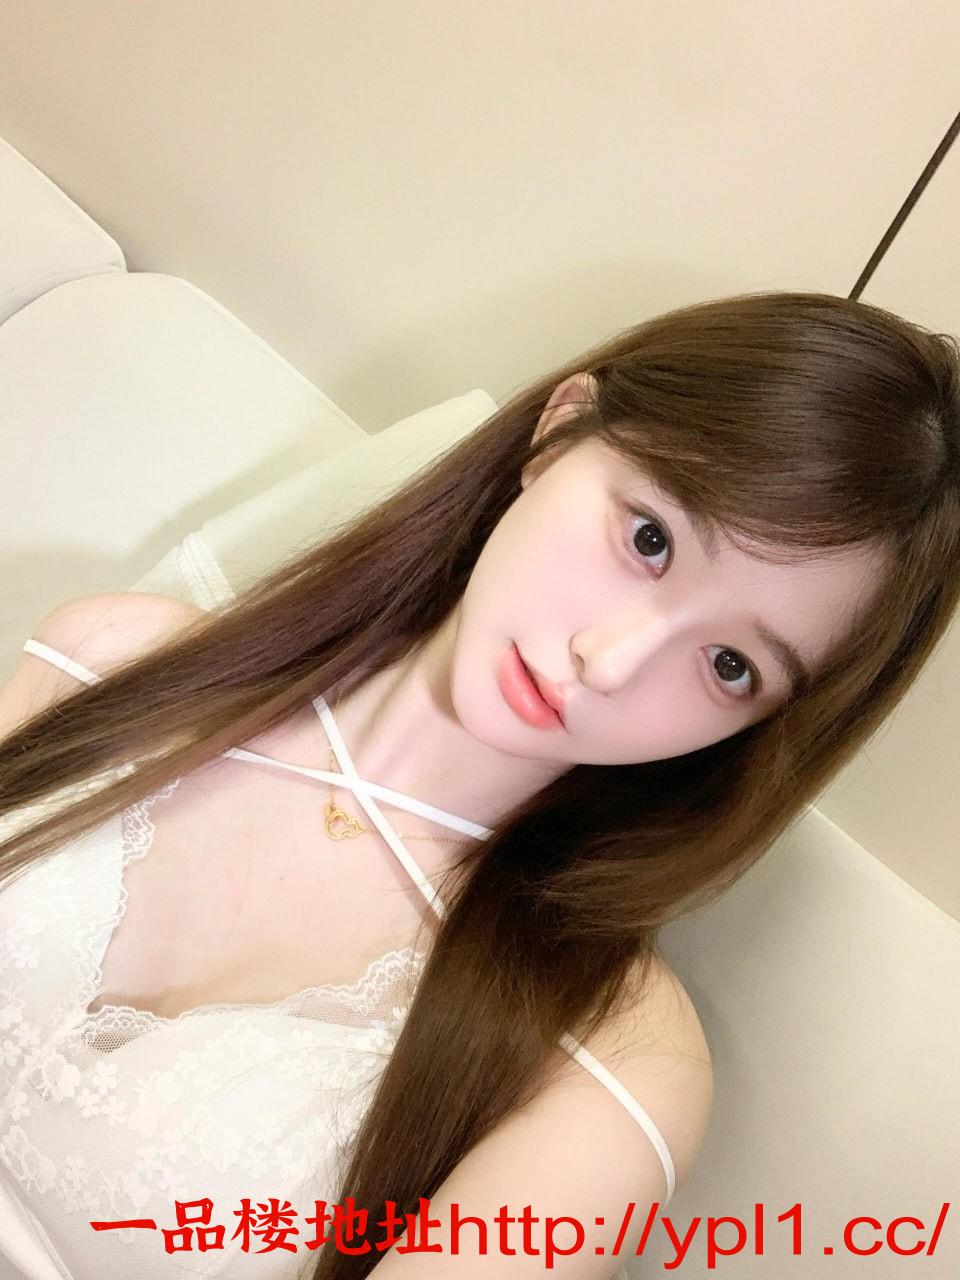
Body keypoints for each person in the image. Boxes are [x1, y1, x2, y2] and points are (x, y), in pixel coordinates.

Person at [1, 289, 958, 1280]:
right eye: (651, 539)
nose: (609, 659)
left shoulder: (610, 1059)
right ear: (557, 431)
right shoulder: (108, 660)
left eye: (730, 666)